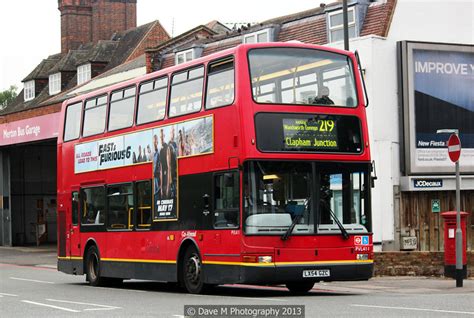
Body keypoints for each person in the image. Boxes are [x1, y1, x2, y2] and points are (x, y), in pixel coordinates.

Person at [159, 129, 169, 199]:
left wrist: (168, 186)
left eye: (162, 136)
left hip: (166, 179)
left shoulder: (167, 147)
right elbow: (161, 170)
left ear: (164, 136)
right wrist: (161, 187)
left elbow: (169, 167)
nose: (161, 138)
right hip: (162, 180)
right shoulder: (160, 150)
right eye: (160, 137)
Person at [153, 134, 161, 200]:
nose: (155, 143)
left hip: (157, 177)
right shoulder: (152, 154)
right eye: (154, 141)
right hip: (153, 177)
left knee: (157, 194)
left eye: (156, 141)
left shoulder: (158, 153)